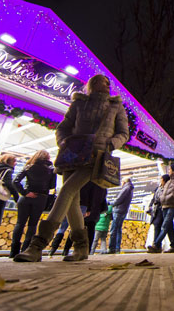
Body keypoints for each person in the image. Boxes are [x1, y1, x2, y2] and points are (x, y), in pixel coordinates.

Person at [14, 74, 129, 262]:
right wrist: (63, 142)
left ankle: (38, 245)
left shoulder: (116, 106)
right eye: (100, 81)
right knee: (73, 200)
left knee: (66, 191)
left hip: (96, 155)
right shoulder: (79, 103)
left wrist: (109, 144)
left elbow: (123, 133)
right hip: (71, 154)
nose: (105, 84)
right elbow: (64, 127)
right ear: (91, 85)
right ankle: (81, 247)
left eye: (107, 82)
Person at [10, 150, 56, 258]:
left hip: (26, 197)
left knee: (20, 223)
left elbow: (15, 181)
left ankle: (13, 250)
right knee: (32, 224)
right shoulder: (50, 170)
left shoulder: (28, 167)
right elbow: (52, 186)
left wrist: (25, 192)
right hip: (41, 198)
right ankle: (26, 249)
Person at [147, 162, 174, 253]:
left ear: (173, 170)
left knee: (165, 225)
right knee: (169, 226)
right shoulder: (169, 181)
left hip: (172, 205)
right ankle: (173, 246)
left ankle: (156, 244)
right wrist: (162, 198)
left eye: (169, 169)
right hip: (164, 205)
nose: (168, 171)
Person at [108, 178, 134, 254]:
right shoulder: (130, 189)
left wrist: (111, 203)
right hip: (123, 211)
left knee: (114, 230)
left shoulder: (126, 188)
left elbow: (119, 199)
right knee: (118, 230)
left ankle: (112, 248)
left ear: (124, 182)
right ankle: (117, 248)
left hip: (118, 211)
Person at [147, 174, 169, 243]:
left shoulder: (167, 189)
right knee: (156, 225)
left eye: (161, 179)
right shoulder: (158, 188)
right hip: (156, 209)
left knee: (161, 226)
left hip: (162, 209)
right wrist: (150, 206)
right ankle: (155, 243)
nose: (160, 180)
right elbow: (154, 198)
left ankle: (157, 243)